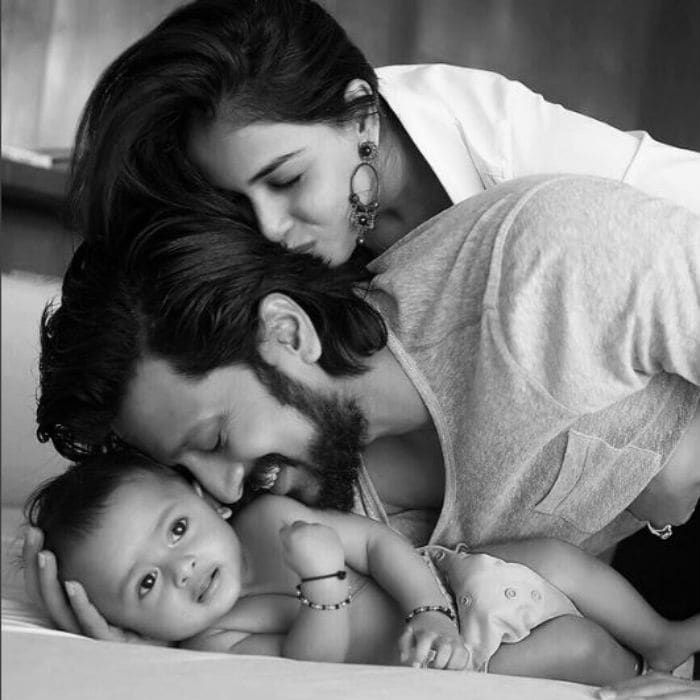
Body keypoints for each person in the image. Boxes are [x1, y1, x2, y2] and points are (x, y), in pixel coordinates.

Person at [26, 174, 700, 669]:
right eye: (187, 469)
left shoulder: (542, 263)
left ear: (286, 333)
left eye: (214, 439)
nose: (226, 493)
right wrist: (144, 652)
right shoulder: (304, 515)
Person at [68, 0, 700, 267]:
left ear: (363, 114)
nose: (266, 228)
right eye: (237, 200)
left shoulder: (502, 138)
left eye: (286, 179)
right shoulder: (271, 243)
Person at [25, 451, 700, 682]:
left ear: (205, 497)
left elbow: (378, 547)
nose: (183, 570)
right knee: (575, 647)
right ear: (125, 619)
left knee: (555, 559)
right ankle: (636, 676)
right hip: (449, 661)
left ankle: (660, 638)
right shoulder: (213, 638)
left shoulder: (266, 517)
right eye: (145, 584)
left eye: (177, 530)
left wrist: (432, 608)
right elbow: (309, 664)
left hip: (440, 589)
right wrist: (321, 586)